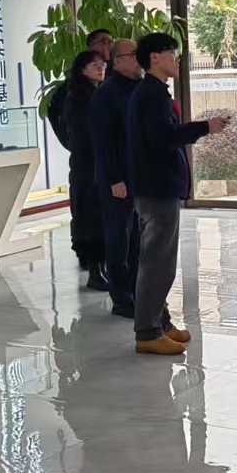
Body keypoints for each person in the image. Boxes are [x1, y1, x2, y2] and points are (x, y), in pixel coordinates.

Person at [126, 32, 227, 355]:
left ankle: (161, 322)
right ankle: (147, 332)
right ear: (154, 57)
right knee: (158, 262)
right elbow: (163, 137)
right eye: (171, 52)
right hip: (156, 187)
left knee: (158, 259)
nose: (177, 59)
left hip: (157, 186)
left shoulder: (153, 91)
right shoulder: (150, 95)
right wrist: (204, 127)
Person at [51, 28, 114, 269]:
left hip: (101, 161)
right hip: (86, 162)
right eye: (101, 43)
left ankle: (100, 261)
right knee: (87, 211)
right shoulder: (74, 93)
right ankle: (90, 261)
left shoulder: (108, 83)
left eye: (109, 42)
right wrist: (72, 145)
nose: (106, 48)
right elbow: (59, 119)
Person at [89, 38, 143, 317]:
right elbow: (103, 141)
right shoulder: (107, 93)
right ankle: (121, 298)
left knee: (136, 241)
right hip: (117, 180)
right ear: (118, 60)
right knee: (118, 240)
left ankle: (136, 291)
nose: (138, 59)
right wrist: (114, 179)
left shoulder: (138, 88)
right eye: (134, 55)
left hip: (138, 176)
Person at [64, 50, 109, 290]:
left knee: (99, 218)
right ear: (82, 70)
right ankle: (94, 271)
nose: (101, 67)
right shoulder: (79, 97)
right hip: (87, 166)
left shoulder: (99, 93)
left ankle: (101, 268)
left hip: (95, 164)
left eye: (102, 63)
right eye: (94, 64)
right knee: (92, 218)